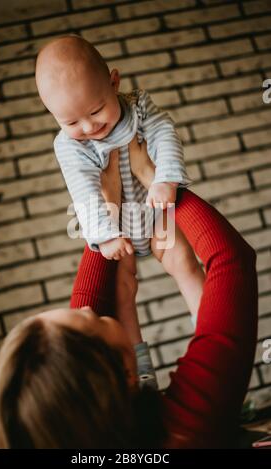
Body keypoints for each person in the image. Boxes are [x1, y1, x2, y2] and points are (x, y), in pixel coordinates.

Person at [0, 138, 258, 449]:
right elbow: (232, 261)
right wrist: (161, 184)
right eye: (91, 321)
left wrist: (108, 213)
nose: (90, 309)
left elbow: (90, 305)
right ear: (122, 373)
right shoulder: (189, 429)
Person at [35, 35, 205, 388]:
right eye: (71, 121)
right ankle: (142, 372)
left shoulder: (139, 107)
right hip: (118, 229)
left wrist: (166, 179)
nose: (88, 127)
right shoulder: (69, 146)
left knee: (185, 264)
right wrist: (106, 234)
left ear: (114, 82)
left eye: (96, 111)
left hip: (157, 216)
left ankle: (206, 333)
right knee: (122, 293)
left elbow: (165, 135)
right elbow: (83, 190)